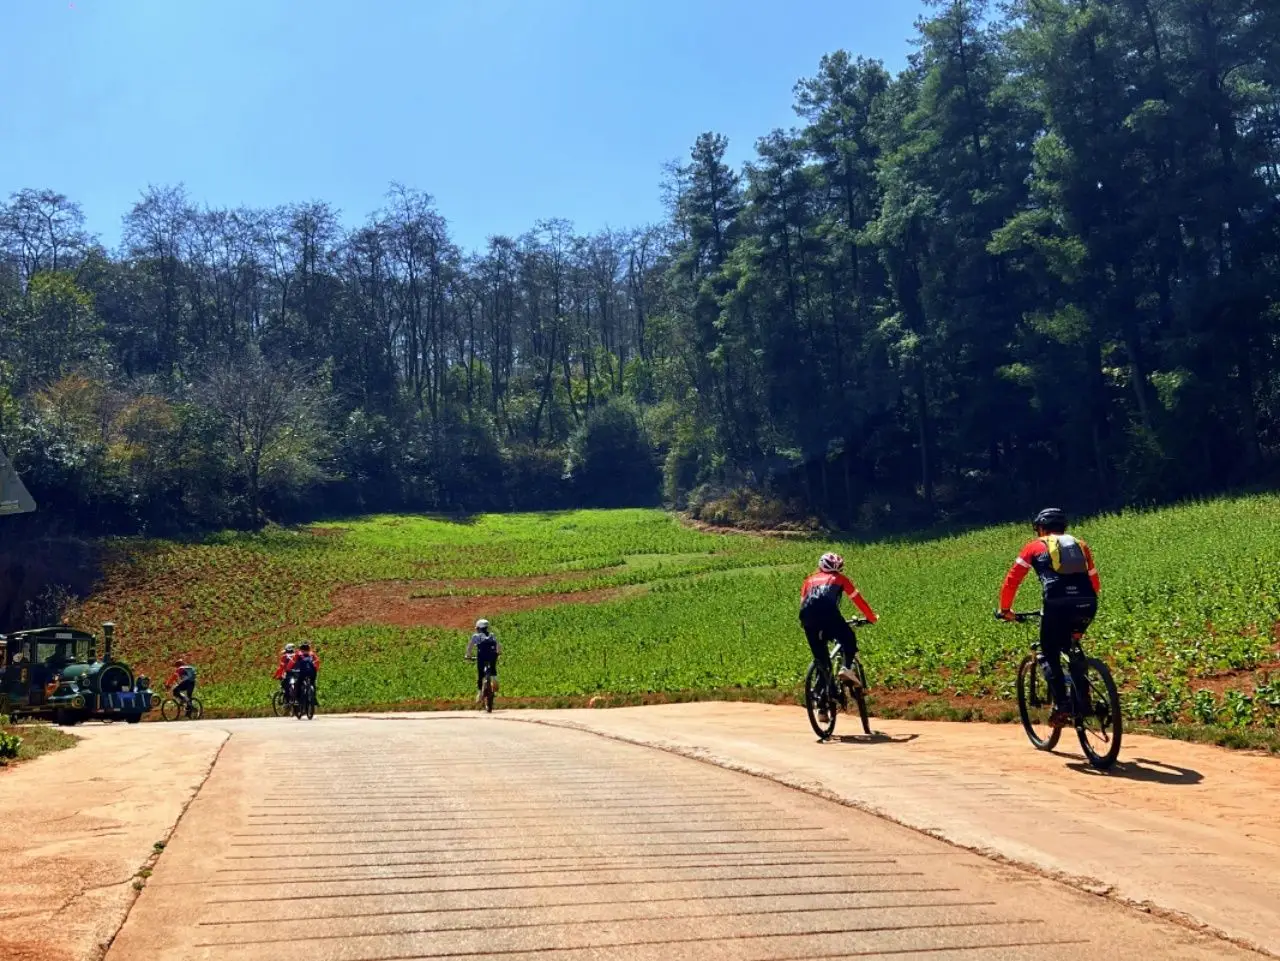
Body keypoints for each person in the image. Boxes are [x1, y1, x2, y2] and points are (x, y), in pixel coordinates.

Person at [999, 507, 1101, 728]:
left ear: (1041, 529)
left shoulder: (1035, 546)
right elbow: (1095, 583)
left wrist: (1005, 609)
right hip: (1087, 603)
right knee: (1073, 647)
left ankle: (1062, 705)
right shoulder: (1081, 546)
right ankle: (1084, 702)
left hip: (1056, 604)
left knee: (1049, 651)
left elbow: (1012, 579)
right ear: (1064, 528)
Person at [800, 552, 878, 725]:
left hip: (808, 620)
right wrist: (871, 617)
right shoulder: (841, 579)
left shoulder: (808, 581)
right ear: (839, 568)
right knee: (848, 639)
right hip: (830, 617)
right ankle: (846, 668)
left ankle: (821, 707)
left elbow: (803, 603)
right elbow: (858, 600)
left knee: (822, 661)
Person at [465, 619, 501, 701]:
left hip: (481, 657)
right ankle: (495, 678)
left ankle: (480, 693)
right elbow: (498, 646)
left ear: (478, 628)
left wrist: (468, 656)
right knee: (493, 668)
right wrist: (498, 653)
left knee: (480, 675)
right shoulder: (492, 635)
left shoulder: (476, 636)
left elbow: (470, 647)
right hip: (492, 656)